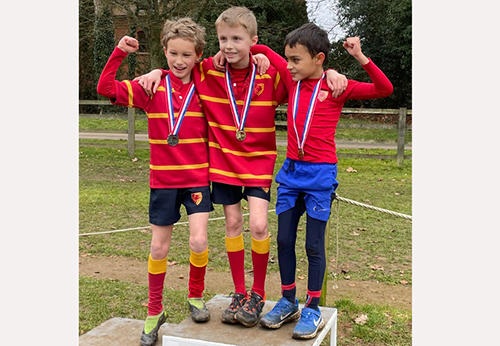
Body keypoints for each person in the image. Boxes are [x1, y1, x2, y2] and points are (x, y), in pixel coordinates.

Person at [136, 7, 348, 328]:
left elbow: (298, 76)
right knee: (233, 225)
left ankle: (258, 293)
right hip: (222, 165)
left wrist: (264, 52)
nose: (229, 45)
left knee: (260, 226)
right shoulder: (208, 72)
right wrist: (156, 71)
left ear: (252, 40)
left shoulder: (269, 74)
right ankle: (239, 293)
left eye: (237, 39)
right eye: (224, 39)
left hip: (259, 164)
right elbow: (180, 63)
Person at [250, 23, 393, 339]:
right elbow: (259, 49)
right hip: (290, 174)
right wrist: (249, 52)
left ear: (318, 58)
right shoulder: (291, 79)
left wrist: (358, 57)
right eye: (287, 59)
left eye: (296, 60)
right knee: (285, 240)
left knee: (313, 245)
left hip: (320, 175)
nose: (288, 65)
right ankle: (288, 301)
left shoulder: (338, 87)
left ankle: (312, 307)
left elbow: (385, 90)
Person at [96, 18, 214, 346]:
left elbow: (231, 62)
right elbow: (105, 89)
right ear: (164, 51)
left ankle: (195, 297)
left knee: (198, 242)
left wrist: (259, 53)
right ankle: (154, 311)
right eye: (173, 54)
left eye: (187, 55)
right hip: (163, 181)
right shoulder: (151, 88)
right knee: (158, 247)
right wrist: (119, 53)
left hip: (197, 179)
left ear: (198, 55)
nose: (179, 61)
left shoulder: (206, 84)